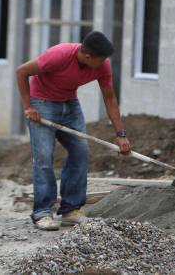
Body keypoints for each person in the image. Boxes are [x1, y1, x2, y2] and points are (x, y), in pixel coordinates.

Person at [15, 31, 131, 231]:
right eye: (101, 59)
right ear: (87, 57)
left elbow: (110, 98)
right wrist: (28, 107)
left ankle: (71, 210)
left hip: (70, 105)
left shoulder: (102, 64)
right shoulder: (59, 55)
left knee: (81, 152)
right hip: (42, 104)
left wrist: (121, 134)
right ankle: (42, 212)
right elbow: (22, 71)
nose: (105, 63)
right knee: (43, 157)